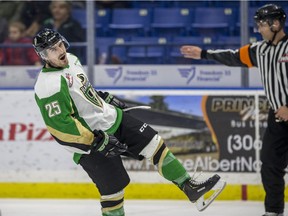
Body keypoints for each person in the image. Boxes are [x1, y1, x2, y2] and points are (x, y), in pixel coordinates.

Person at [32, 28, 226, 216]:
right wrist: (95, 141)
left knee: (155, 144)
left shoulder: (72, 59)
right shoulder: (49, 86)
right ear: (44, 56)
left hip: (111, 117)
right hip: (91, 142)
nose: (60, 51)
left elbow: (82, 91)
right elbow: (61, 127)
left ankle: (190, 187)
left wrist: (103, 98)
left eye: (60, 45)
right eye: (53, 50)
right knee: (113, 191)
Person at [180, 4, 287, 216]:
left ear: (275, 24)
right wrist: (203, 53)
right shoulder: (260, 50)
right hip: (278, 119)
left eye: (262, 25)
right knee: (270, 165)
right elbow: (233, 56)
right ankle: (273, 211)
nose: (259, 29)